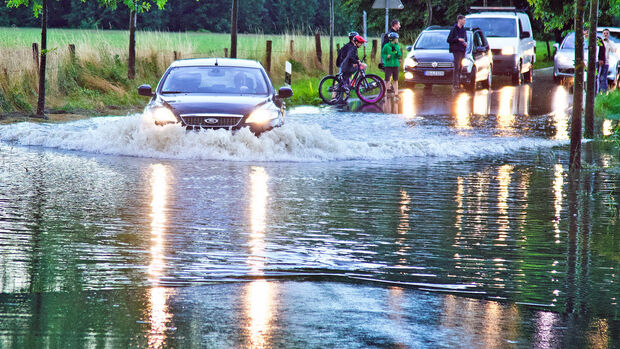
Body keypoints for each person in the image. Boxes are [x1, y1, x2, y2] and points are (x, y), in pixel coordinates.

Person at [334, 35, 367, 102]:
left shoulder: (352, 47)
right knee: (343, 81)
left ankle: (339, 98)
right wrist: (356, 62)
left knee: (344, 81)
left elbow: (354, 56)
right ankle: (356, 84)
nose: (361, 45)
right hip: (346, 66)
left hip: (346, 65)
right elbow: (350, 57)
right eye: (361, 43)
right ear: (356, 42)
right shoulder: (352, 47)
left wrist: (358, 61)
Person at [447, 15, 467, 91]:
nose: (464, 22)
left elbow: (465, 39)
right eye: (464, 20)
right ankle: (455, 85)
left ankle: (458, 84)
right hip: (456, 50)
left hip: (462, 50)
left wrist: (465, 43)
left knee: (461, 68)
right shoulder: (454, 29)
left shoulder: (464, 30)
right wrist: (457, 39)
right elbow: (449, 40)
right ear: (459, 20)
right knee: (457, 67)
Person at [600, 28, 616, 93]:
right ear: (602, 34)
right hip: (599, 62)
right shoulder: (600, 41)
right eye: (604, 33)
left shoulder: (610, 42)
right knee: (598, 77)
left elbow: (613, 50)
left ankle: (604, 92)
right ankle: (598, 91)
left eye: (607, 33)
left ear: (609, 34)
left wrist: (608, 42)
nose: (605, 35)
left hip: (606, 62)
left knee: (603, 77)